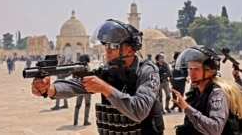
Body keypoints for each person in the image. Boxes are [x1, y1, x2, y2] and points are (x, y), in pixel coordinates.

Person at [31, 19, 165, 135]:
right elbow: (75, 85)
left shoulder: (147, 71)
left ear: (130, 49)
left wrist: (105, 88)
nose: (107, 50)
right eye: (106, 45)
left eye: (114, 45)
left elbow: (139, 110)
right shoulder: (107, 72)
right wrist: (49, 89)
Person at [172, 47, 242, 135]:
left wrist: (187, 108)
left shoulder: (217, 94)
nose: (192, 73)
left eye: (196, 69)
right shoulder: (196, 93)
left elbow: (215, 129)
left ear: (210, 71)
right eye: (190, 69)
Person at [74, 54, 92, 126]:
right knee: (87, 104)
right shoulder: (87, 67)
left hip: (78, 88)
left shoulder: (77, 67)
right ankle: (85, 121)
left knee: (78, 104)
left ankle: (75, 121)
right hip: (86, 89)